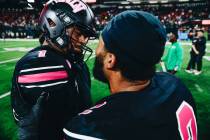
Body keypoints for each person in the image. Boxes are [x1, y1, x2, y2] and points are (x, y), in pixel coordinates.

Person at [63, 11, 197, 140]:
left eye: (100, 44)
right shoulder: (176, 85)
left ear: (110, 60)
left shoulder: (87, 129)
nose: (97, 51)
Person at [10, 0, 97, 139]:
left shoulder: (74, 60)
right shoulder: (38, 63)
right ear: (53, 24)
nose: (83, 40)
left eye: (86, 35)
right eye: (78, 33)